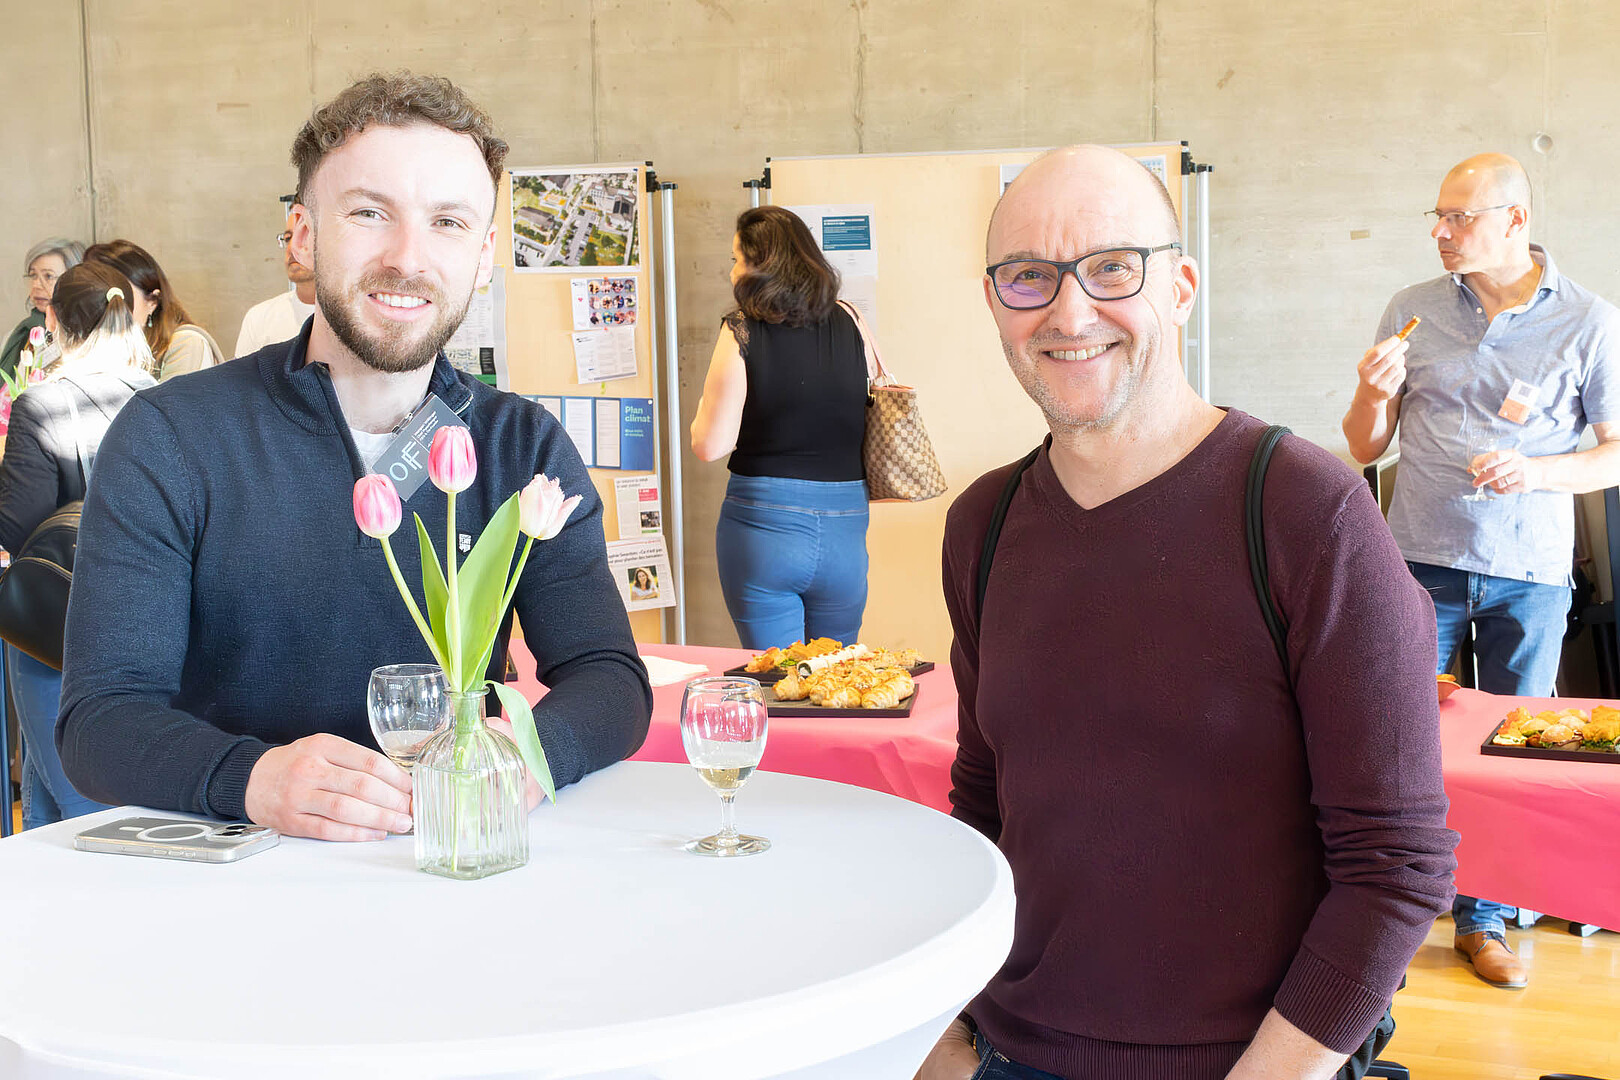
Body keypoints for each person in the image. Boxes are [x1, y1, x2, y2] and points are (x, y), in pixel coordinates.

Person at [918, 146, 1457, 1080]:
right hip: (1009, 1050)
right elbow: (986, 798)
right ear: (995, 302)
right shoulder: (984, 523)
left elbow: (1395, 868)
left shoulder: (1305, 512)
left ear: (1181, 288)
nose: (1069, 312)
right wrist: (948, 1033)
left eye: (1112, 267)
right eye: (1029, 276)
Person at [58, 72, 652, 841]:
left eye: (448, 222)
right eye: (370, 213)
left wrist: (524, 754)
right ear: (303, 235)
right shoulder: (171, 437)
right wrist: (254, 778)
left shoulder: (520, 445)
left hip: (451, 856)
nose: (408, 257)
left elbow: (610, 679)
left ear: (483, 256)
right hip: (241, 875)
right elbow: (100, 720)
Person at [1341, 152, 1620, 990]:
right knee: (1397, 746)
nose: (1441, 231)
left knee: (1508, 757)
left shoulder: (1588, 320)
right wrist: (1372, 393)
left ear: (1515, 220)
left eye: (1459, 217)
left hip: (1529, 573)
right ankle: (1388, 915)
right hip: (1416, 565)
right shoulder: (1413, 309)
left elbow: (1613, 453)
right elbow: (1363, 446)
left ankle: (1485, 919)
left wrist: (1537, 472)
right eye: (1437, 216)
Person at [0, 261, 155, 828]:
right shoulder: (163, 398)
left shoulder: (43, 405)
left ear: (54, 322)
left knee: (80, 807)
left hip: (57, 624)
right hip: (148, 620)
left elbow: (14, 530)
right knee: (57, 790)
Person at [690, 205, 870, 649]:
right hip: (846, 531)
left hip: (764, 528)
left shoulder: (741, 328)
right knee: (835, 676)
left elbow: (710, 445)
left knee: (775, 677)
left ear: (762, 265)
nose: (732, 271)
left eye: (737, 259)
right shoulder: (851, 320)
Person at [82, 239, 223, 380]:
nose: (108, 305)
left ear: (152, 301)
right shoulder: (93, 349)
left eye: (120, 295)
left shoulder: (186, 344)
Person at [234, 214, 317, 357]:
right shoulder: (259, 319)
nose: (292, 247)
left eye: (304, 236)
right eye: (288, 238)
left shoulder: (353, 317)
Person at [2, 238, 85, 379]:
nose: (36, 285)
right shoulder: (19, 333)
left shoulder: (81, 339)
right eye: (33, 275)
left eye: (48, 276)